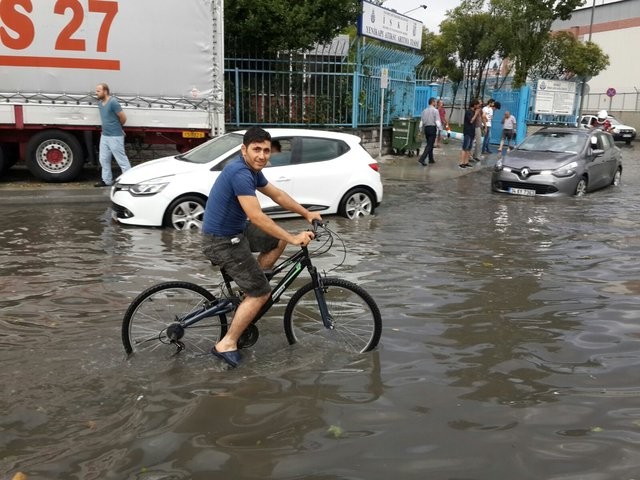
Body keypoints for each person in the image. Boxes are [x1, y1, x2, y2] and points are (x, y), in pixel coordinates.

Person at [201, 126, 322, 368]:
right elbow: (256, 216)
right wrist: (293, 237)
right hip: (222, 241)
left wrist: (306, 213)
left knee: (275, 241)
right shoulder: (240, 173)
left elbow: (277, 195)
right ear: (243, 149)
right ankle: (227, 343)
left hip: (235, 232)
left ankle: (250, 294)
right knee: (262, 292)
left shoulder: (251, 170)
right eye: (256, 149)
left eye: (266, 151)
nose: (262, 155)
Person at [94, 83, 131, 187]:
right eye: (96, 91)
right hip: (105, 136)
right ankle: (106, 181)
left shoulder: (113, 102)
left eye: (98, 91)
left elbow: (123, 117)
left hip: (115, 136)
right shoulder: (100, 104)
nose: (96, 93)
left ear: (105, 91)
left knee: (121, 160)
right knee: (104, 159)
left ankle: (129, 181)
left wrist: (119, 128)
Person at [417, 97, 441, 166]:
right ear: (433, 102)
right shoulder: (435, 111)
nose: (436, 103)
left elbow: (421, 121)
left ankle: (431, 159)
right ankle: (422, 159)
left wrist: (420, 129)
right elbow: (437, 121)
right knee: (429, 145)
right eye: (435, 102)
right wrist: (440, 129)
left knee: (429, 144)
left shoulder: (424, 111)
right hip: (432, 129)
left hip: (426, 129)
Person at [459, 99, 481, 169]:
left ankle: (466, 162)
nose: (478, 106)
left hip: (472, 132)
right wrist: (476, 114)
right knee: (465, 147)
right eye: (477, 104)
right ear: (474, 105)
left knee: (469, 148)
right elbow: (471, 121)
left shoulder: (474, 112)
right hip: (467, 132)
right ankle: (461, 162)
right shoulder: (468, 112)